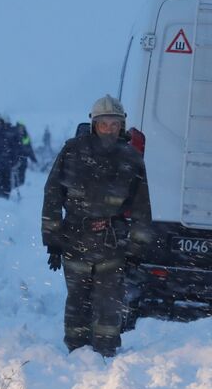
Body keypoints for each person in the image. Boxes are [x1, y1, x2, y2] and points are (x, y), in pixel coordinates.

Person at [41, 94, 152, 357]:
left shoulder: (131, 158)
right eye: (104, 123)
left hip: (112, 242)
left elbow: (141, 206)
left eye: (115, 124)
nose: (110, 129)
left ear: (122, 125)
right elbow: (53, 194)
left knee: (109, 302)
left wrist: (137, 248)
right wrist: (52, 240)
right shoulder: (72, 151)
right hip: (75, 238)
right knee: (77, 298)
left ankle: (105, 351)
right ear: (94, 124)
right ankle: (76, 350)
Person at [14, 122, 37, 187]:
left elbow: (29, 148)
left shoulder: (26, 136)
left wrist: (33, 158)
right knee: (15, 174)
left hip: (24, 158)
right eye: (20, 128)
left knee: (22, 175)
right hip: (16, 158)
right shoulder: (14, 136)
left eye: (22, 128)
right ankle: (15, 186)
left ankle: (19, 185)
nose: (21, 129)